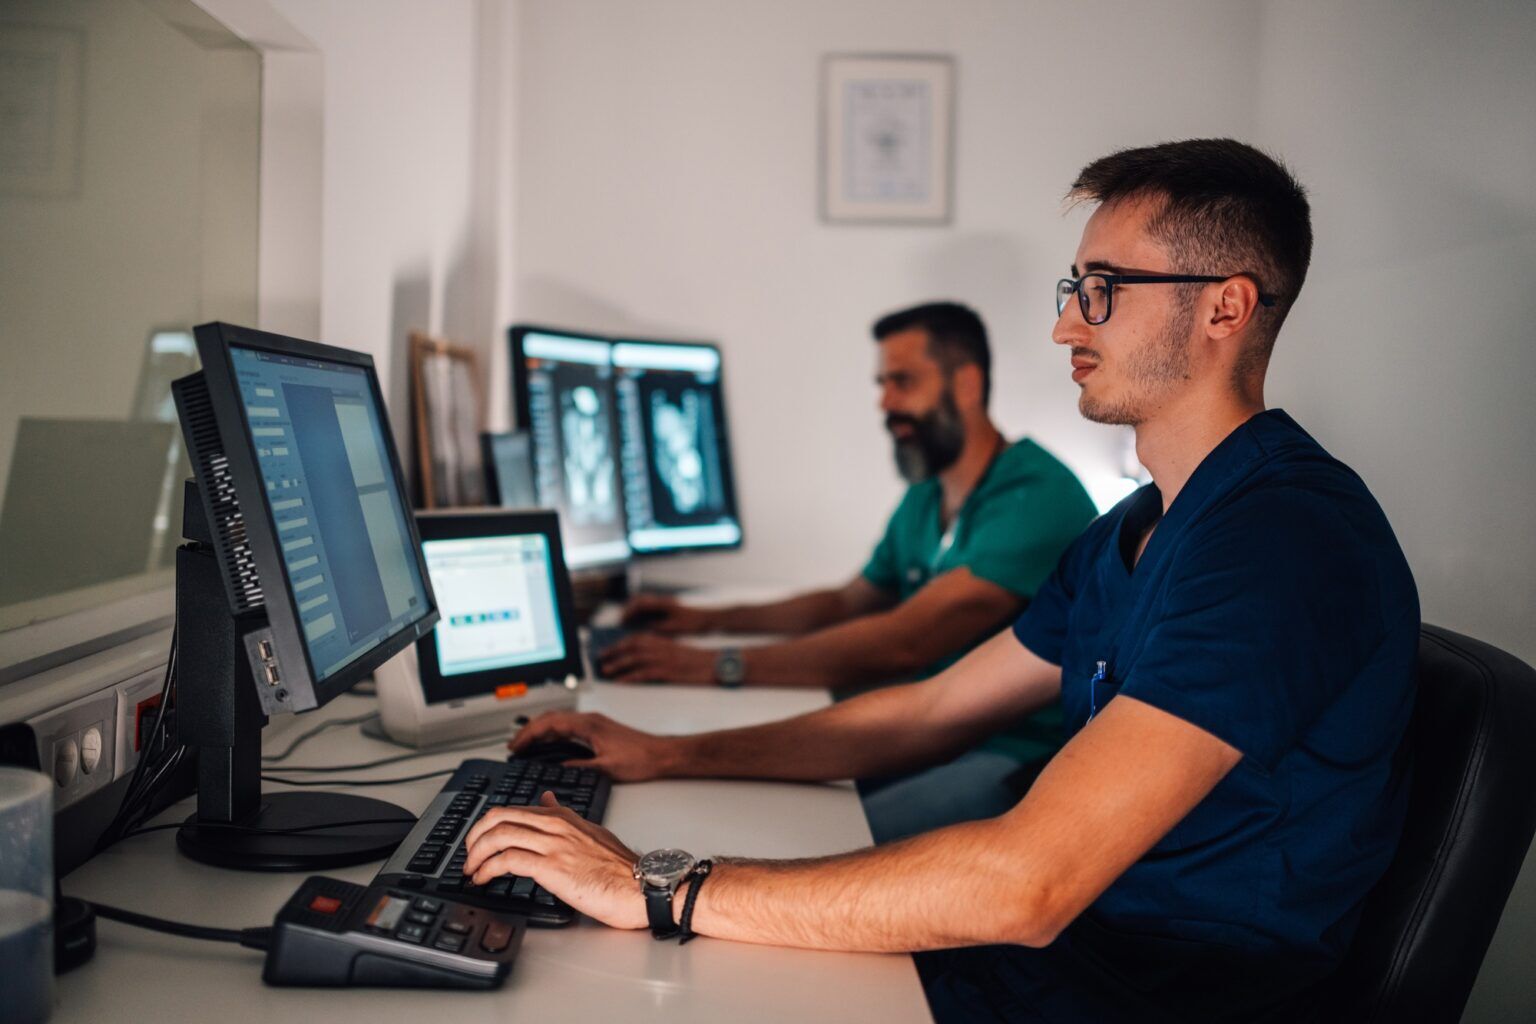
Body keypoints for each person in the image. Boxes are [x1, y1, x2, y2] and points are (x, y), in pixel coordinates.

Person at [463, 139, 1420, 1022]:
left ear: (1225, 306)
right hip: (1066, 955)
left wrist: (660, 885)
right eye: (1071, 287)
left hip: (1147, 993)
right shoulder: (1134, 529)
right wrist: (669, 756)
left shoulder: (1282, 540)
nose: (1060, 326)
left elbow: (1028, 884)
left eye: (1102, 290)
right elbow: (927, 711)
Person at [598, 301, 1095, 696]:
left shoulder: (1034, 495)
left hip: (1008, 757)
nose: (884, 404)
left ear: (966, 384)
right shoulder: (927, 494)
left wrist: (717, 665)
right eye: (882, 384)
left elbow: (906, 642)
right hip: (926, 722)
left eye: (903, 382)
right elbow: (847, 603)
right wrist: (704, 623)